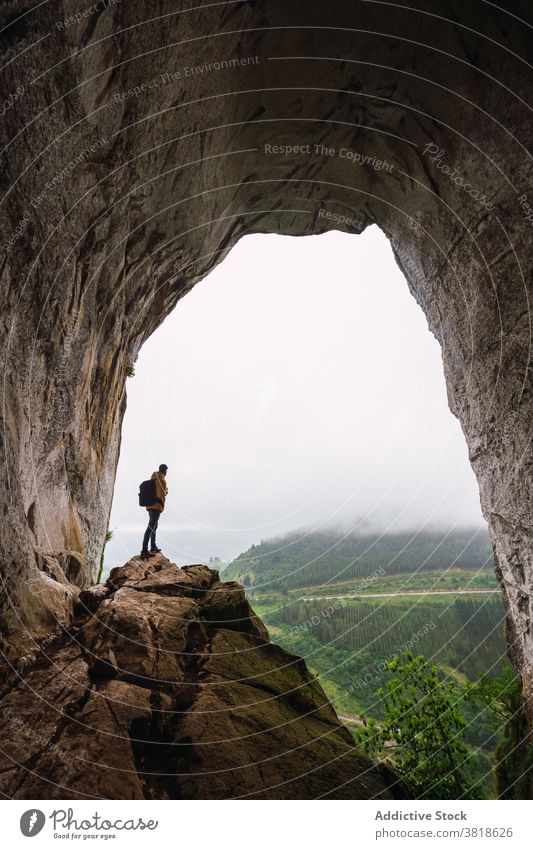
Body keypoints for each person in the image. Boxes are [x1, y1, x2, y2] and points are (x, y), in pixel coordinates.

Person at [140, 464, 168, 559]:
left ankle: (153, 547)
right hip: (156, 506)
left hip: (149, 506)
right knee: (151, 527)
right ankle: (144, 550)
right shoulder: (162, 481)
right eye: (166, 471)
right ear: (164, 471)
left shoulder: (153, 479)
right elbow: (162, 494)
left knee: (154, 526)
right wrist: (166, 491)